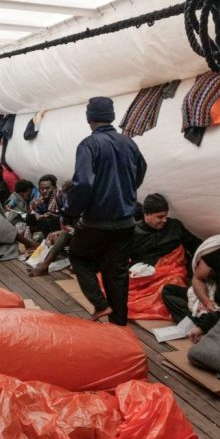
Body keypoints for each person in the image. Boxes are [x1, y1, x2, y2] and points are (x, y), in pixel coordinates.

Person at [66, 96, 147, 325]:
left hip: (96, 221)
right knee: (117, 275)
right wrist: (125, 192)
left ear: (89, 118)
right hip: (126, 222)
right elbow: (140, 171)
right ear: (112, 117)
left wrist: (70, 212)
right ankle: (119, 328)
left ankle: (100, 304)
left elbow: (83, 183)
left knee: (78, 256)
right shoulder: (129, 143)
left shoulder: (89, 145)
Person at [131, 193, 201, 268]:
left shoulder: (174, 226)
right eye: (160, 217)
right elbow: (122, 259)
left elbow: (195, 245)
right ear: (146, 214)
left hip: (174, 271)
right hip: (144, 274)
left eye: (166, 216)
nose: (164, 220)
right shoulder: (132, 232)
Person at [27, 174, 65, 239]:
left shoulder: (62, 198)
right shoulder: (40, 201)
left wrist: (54, 216)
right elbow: (33, 217)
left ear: (54, 187)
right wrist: (32, 209)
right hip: (49, 234)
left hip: (63, 233)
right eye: (42, 189)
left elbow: (69, 219)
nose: (44, 191)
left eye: (47, 188)